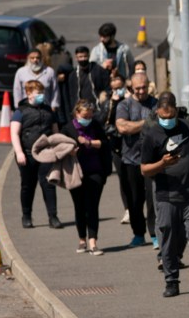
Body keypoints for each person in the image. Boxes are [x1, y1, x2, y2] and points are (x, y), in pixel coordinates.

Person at [140, 92, 189, 297]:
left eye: (170, 115)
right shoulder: (151, 134)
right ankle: (171, 280)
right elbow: (145, 169)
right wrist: (162, 164)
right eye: (163, 117)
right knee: (168, 238)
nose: (167, 120)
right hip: (166, 197)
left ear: (176, 110)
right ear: (157, 112)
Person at [61, 100, 111, 255]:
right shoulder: (68, 128)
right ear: (77, 113)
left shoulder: (95, 126)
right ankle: (82, 239)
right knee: (80, 206)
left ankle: (93, 241)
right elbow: (60, 146)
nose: (88, 119)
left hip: (95, 171)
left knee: (93, 206)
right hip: (76, 172)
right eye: (85, 116)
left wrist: (89, 142)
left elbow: (105, 143)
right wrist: (71, 151)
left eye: (90, 115)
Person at [10, 80, 61, 229]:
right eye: (38, 93)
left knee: (49, 184)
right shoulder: (20, 111)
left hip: (45, 152)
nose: (41, 96)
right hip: (27, 154)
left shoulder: (48, 110)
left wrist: (56, 149)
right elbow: (14, 133)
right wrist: (19, 152)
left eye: (42, 92)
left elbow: (55, 130)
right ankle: (26, 216)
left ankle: (53, 216)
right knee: (28, 185)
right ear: (29, 94)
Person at [116, 72, 158, 248]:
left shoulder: (155, 104)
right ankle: (138, 234)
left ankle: (155, 234)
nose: (141, 91)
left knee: (152, 199)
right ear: (130, 89)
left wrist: (135, 125)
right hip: (130, 159)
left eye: (144, 87)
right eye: (137, 88)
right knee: (134, 200)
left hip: (151, 160)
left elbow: (160, 124)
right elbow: (122, 127)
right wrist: (147, 122)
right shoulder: (124, 105)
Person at [97, 73, 130, 222]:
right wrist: (111, 103)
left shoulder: (132, 99)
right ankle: (128, 209)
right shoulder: (107, 102)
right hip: (116, 145)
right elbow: (101, 121)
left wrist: (129, 98)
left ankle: (137, 206)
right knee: (123, 178)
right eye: (114, 87)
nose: (118, 91)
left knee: (136, 179)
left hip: (133, 144)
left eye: (120, 86)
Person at [60, 46, 110, 121]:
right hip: (81, 112)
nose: (83, 59)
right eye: (80, 57)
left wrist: (105, 93)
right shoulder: (73, 75)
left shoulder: (98, 70)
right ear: (76, 58)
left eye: (85, 56)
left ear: (89, 56)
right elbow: (70, 95)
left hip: (97, 110)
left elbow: (108, 85)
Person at [13, 49, 59, 120]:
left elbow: (55, 90)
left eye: (37, 58)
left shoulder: (50, 72)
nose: (35, 60)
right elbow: (17, 90)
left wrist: (53, 106)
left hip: (45, 108)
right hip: (26, 108)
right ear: (28, 59)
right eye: (32, 58)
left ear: (41, 58)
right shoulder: (21, 72)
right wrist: (17, 106)